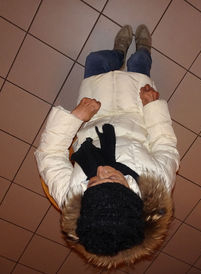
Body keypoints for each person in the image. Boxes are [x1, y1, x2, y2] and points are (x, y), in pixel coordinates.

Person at [35, 24, 179, 269]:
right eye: (112, 177)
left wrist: (76, 117)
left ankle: (117, 52)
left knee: (96, 62)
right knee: (139, 66)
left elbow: (49, 155)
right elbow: (165, 145)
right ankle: (143, 50)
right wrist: (151, 107)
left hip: (94, 116)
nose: (101, 170)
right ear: (134, 197)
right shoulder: (157, 185)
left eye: (91, 183)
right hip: (136, 116)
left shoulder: (71, 199)